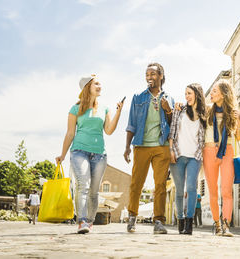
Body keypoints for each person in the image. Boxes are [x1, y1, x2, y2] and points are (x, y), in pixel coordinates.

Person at [56, 75, 124, 234]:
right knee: (83, 186)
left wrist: (118, 112)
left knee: (94, 191)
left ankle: (90, 222)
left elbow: (108, 131)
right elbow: (70, 133)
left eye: (100, 83)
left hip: (99, 154)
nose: (100, 86)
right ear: (87, 87)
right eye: (96, 83)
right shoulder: (75, 109)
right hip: (79, 151)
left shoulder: (104, 108)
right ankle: (82, 221)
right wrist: (63, 154)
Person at [124, 63, 174, 234]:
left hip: (162, 146)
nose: (149, 77)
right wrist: (127, 147)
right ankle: (132, 216)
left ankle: (159, 221)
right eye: (147, 74)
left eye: (153, 74)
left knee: (160, 185)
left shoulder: (168, 98)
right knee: (136, 183)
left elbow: (172, 124)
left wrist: (168, 111)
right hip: (141, 145)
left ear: (161, 76)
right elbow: (131, 123)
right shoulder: (138, 97)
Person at [203, 80, 240, 237]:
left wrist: (238, 121)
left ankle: (226, 224)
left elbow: (238, 137)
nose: (211, 93)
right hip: (209, 150)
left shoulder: (233, 112)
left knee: (226, 190)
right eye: (211, 91)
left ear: (223, 94)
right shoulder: (207, 111)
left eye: (214, 91)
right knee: (213, 191)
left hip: (227, 151)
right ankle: (217, 224)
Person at [169, 83, 206, 235]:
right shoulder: (180, 110)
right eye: (185, 94)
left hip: (195, 157)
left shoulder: (205, 114)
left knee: (191, 188)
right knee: (179, 190)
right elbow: (172, 130)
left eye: (189, 93)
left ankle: (189, 224)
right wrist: (171, 150)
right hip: (178, 155)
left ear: (197, 94)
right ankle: (181, 221)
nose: (186, 96)